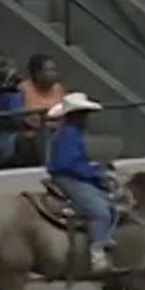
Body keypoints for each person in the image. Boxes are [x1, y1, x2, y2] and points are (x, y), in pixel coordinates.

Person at [46, 93, 118, 272]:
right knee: (100, 212)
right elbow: (67, 164)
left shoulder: (70, 132)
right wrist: (95, 173)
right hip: (68, 178)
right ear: (75, 115)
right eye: (84, 114)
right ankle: (97, 254)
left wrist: (94, 169)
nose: (87, 118)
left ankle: (103, 236)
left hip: (71, 174)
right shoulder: (69, 133)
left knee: (113, 202)